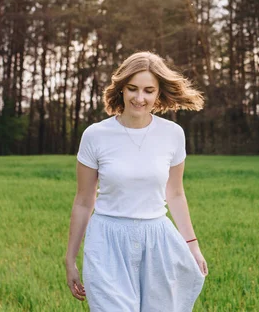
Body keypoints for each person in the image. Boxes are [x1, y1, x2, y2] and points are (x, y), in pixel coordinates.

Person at [65, 51, 208, 312]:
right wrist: (70, 259)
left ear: (158, 94)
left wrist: (193, 246)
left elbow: (175, 194)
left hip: (156, 239)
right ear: (121, 88)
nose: (139, 98)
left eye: (148, 91)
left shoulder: (173, 134)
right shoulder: (96, 135)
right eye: (132, 89)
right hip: (106, 239)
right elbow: (84, 201)